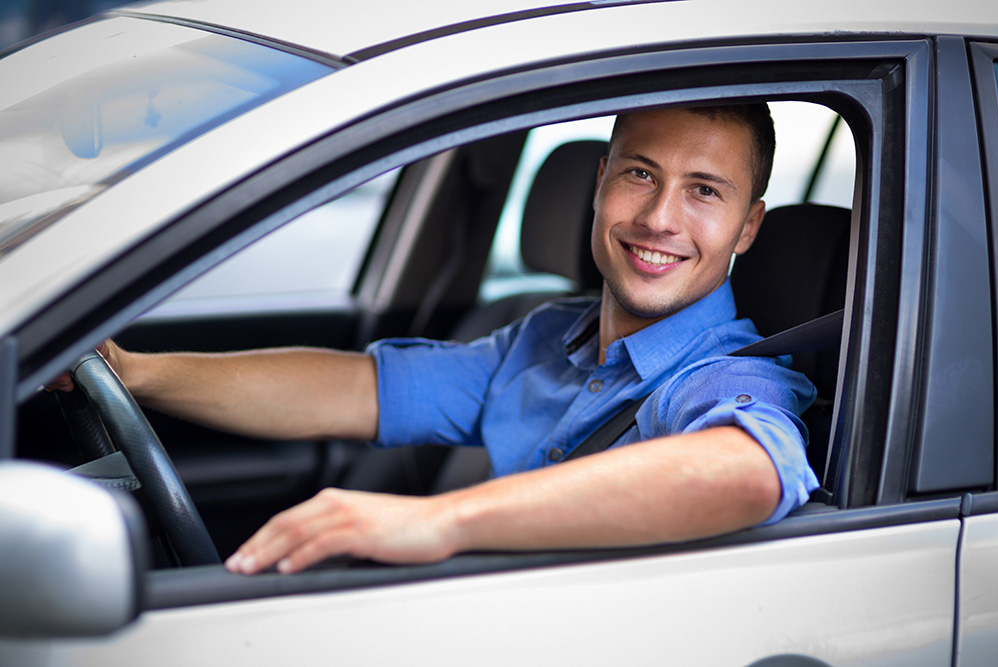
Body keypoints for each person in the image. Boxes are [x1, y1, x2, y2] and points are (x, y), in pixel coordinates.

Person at [52, 104, 819, 574]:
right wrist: (132, 370)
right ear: (600, 182)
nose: (658, 218)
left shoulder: (724, 374)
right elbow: (360, 388)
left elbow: (749, 468)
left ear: (748, 226)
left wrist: (436, 519)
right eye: (641, 175)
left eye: (705, 191)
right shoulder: (546, 338)